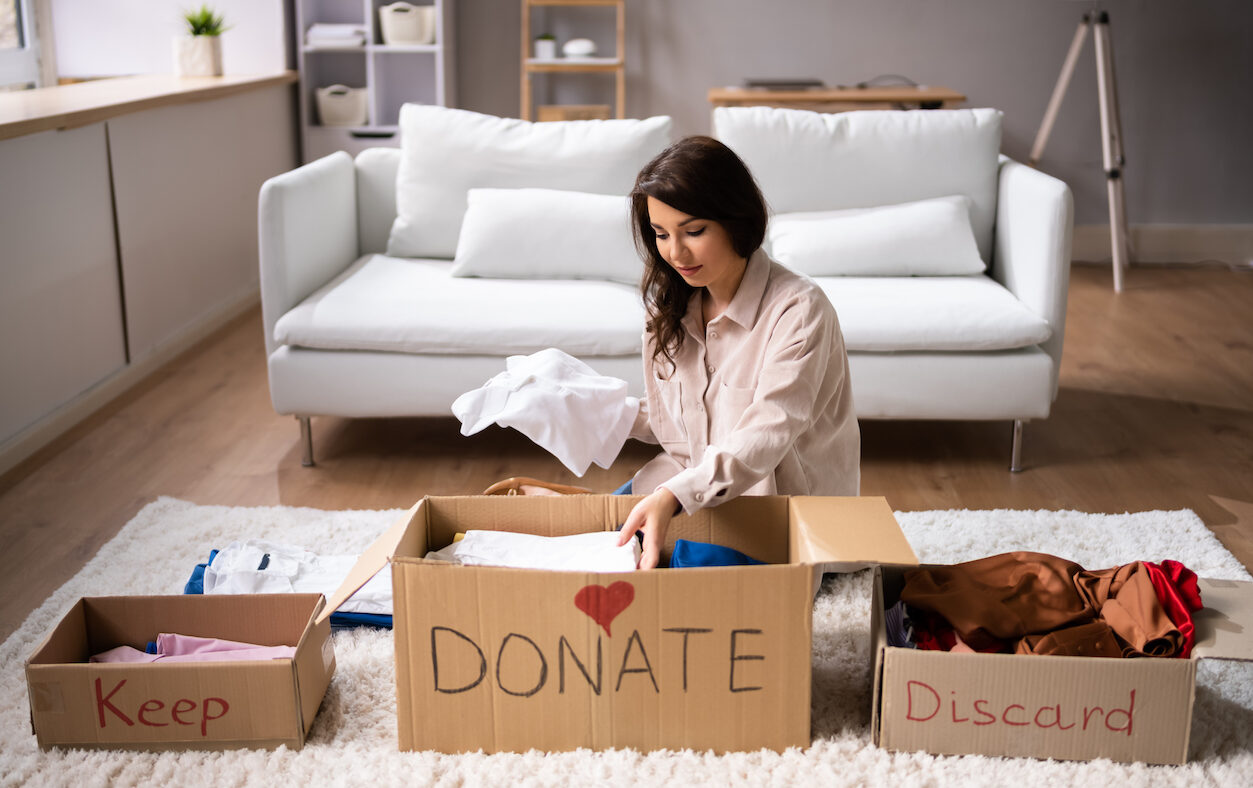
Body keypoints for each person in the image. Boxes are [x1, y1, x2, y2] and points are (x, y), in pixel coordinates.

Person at [616, 136, 860, 569]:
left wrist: (674, 495)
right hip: (696, 483)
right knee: (599, 536)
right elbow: (678, 424)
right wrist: (589, 409)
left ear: (737, 221)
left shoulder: (799, 311)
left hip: (774, 510)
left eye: (693, 231)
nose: (675, 252)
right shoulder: (671, 306)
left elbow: (766, 435)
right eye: (660, 234)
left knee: (669, 574)